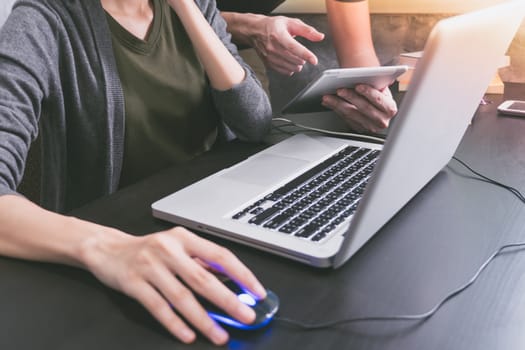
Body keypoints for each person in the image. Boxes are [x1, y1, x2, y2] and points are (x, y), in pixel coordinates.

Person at [0, 0, 273, 346]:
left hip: (219, 226)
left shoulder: (199, 6)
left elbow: (256, 122)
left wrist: (187, 10)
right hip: (120, 253)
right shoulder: (43, 18)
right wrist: (107, 248)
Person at [217, 0, 398, 133]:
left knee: (252, 134)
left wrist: (371, 97)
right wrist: (244, 26)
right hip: (192, 42)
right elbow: (191, 9)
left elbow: (357, 51)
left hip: (238, 44)